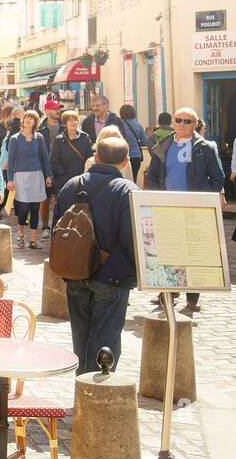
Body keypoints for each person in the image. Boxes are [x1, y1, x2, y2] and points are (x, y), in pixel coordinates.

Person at [53, 137, 138, 375]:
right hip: (113, 276)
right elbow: (132, 239)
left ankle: (83, 386)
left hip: (75, 272)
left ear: (96, 157)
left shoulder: (72, 184)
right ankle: (96, 395)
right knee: (106, 341)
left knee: (81, 336)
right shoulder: (127, 191)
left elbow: (56, 230)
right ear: (125, 162)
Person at [145, 107, 225, 312]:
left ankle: (192, 297)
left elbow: (218, 178)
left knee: (191, 253)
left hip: (193, 209)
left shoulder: (205, 147)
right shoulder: (163, 146)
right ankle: (168, 293)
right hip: (167, 207)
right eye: (178, 120)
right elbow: (153, 175)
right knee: (168, 252)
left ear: (195, 124)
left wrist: (204, 202)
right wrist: (157, 197)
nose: (182, 124)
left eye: (187, 121)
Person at [4, 109, 52, 250]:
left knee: (35, 207)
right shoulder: (15, 139)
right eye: (26, 118)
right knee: (23, 207)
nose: (28, 120)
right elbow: (11, 160)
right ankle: (20, 234)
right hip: (20, 176)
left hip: (36, 175)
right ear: (23, 121)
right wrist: (10, 180)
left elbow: (45, 157)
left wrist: (48, 175)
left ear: (35, 122)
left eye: (31, 118)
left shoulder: (39, 138)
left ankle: (32, 240)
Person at [51, 109, 93, 204]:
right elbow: (54, 161)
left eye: (75, 120)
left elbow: (89, 158)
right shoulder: (59, 140)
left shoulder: (85, 137)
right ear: (65, 123)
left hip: (82, 179)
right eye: (70, 120)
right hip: (64, 181)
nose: (73, 122)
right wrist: (65, 175)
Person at [37, 97, 64, 239]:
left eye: (58, 108)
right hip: (43, 168)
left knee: (58, 199)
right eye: (54, 109)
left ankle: (57, 226)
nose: (57, 111)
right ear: (47, 111)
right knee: (45, 199)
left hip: (60, 168)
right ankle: (45, 227)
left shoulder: (64, 127)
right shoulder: (40, 129)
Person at [119, 104, 148, 183]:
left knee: (122, 180)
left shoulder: (119, 125)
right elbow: (144, 142)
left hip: (123, 156)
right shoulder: (138, 125)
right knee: (133, 179)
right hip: (136, 156)